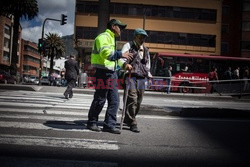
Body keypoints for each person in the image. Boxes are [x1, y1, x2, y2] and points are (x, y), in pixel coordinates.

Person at [87, 19, 133, 134]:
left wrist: (125, 65)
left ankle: (109, 125)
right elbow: (106, 54)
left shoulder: (112, 39)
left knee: (114, 101)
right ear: (113, 26)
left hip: (111, 73)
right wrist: (121, 54)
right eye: (120, 27)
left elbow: (114, 60)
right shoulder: (103, 37)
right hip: (103, 73)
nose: (121, 30)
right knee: (100, 99)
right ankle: (92, 122)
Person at [121, 28, 151, 133]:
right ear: (135, 37)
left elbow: (147, 65)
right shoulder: (128, 46)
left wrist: (149, 74)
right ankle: (133, 122)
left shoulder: (146, 50)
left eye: (144, 37)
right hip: (130, 76)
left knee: (139, 101)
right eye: (140, 37)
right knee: (132, 99)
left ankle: (128, 118)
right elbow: (121, 59)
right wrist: (125, 64)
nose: (142, 39)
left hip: (142, 77)